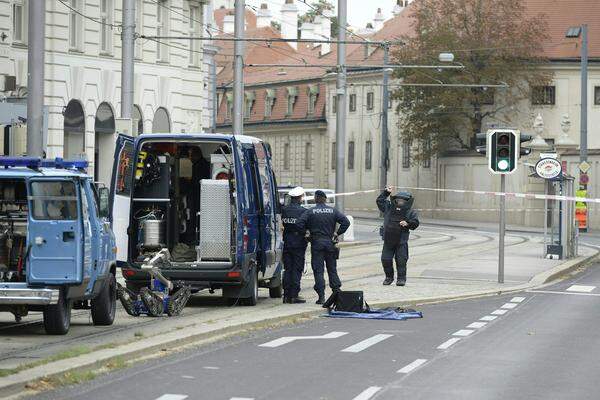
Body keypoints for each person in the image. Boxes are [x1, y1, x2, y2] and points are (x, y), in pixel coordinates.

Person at [298, 190, 350, 304]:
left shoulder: (310, 211)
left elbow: (299, 223)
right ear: (325, 199)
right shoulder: (333, 211)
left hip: (316, 243)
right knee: (332, 269)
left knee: (318, 271)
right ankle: (336, 292)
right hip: (330, 243)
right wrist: (337, 233)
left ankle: (321, 297)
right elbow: (346, 222)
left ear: (316, 199)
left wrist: (307, 233)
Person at [376, 187, 419, 286]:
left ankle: (401, 279)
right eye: (398, 200)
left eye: (402, 200)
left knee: (401, 260)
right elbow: (379, 201)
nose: (400, 202)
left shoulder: (410, 212)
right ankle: (389, 277)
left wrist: (407, 223)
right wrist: (386, 192)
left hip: (401, 240)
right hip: (388, 239)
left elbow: (415, 223)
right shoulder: (388, 207)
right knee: (385, 259)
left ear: (407, 201)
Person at [281, 187, 308, 304]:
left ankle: (286, 295)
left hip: (287, 241)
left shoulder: (284, 210)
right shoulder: (303, 211)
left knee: (287, 269)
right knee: (297, 269)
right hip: (299, 242)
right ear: (300, 198)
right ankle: (294, 295)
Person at [187, 147, 210, 243]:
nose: (190, 158)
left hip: (199, 196)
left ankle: (195, 239)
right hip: (201, 196)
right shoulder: (202, 164)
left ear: (196, 155)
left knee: (197, 217)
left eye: (191, 155)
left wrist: (188, 181)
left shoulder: (199, 165)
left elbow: (196, 182)